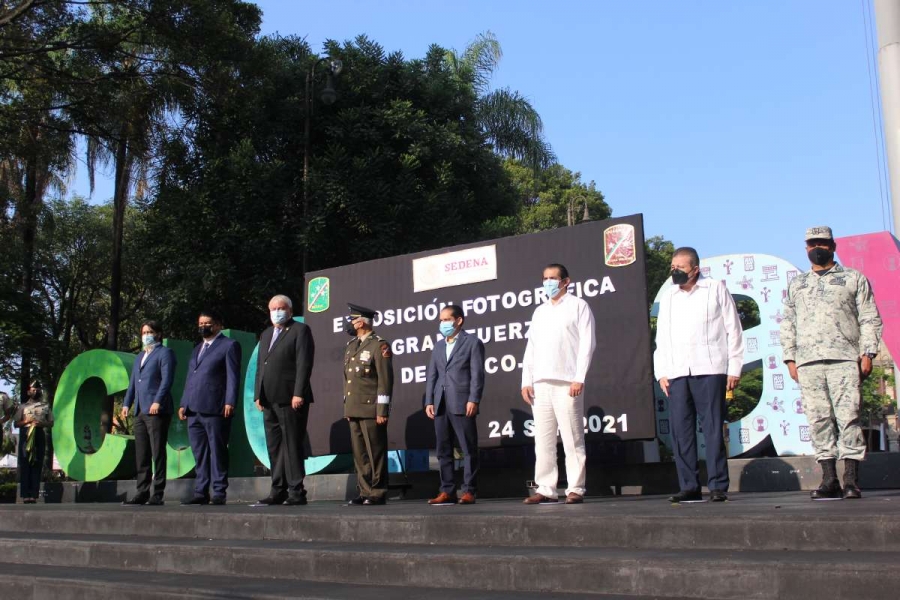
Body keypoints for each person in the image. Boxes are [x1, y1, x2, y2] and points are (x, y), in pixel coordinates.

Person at [781, 226, 883, 500]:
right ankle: (829, 480)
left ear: (833, 246)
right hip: (808, 362)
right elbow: (788, 322)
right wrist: (790, 359)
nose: (817, 248)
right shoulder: (797, 284)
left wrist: (868, 353)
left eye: (823, 244)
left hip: (845, 358)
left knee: (848, 418)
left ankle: (851, 480)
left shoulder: (853, 278)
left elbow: (869, 317)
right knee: (818, 420)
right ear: (805, 248)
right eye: (812, 244)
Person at [654, 247, 744, 503]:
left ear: (695, 269)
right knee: (681, 431)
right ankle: (689, 485)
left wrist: (734, 368)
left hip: (711, 368)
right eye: (672, 267)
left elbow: (733, 330)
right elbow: (661, 337)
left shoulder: (715, 288)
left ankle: (717, 485)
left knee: (713, 428)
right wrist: (662, 372)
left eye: (680, 267)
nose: (675, 271)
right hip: (677, 371)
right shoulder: (669, 296)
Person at [521, 264, 596, 505]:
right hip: (540, 383)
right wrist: (526, 380)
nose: (548, 283)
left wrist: (579, 377)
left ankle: (576, 488)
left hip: (567, 382)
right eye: (545, 279)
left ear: (566, 281)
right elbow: (530, 348)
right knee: (543, 440)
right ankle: (546, 488)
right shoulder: (539, 311)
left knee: (572, 438)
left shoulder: (579, 306)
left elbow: (587, 344)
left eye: (553, 278)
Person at [254, 294, 315, 506]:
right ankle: (277, 489)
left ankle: (296, 491)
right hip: (268, 400)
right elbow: (262, 366)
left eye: (280, 308)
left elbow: (304, 364)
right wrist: (257, 395)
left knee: (291, 445)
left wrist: (299, 392)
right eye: (272, 309)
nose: (276, 312)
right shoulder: (266, 334)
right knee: (274, 447)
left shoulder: (300, 330)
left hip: (291, 398)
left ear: (289, 310)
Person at [179, 310, 242, 505]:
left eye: (207, 323)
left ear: (218, 325)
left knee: (218, 450)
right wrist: (183, 403)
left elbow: (233, 376)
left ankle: (219, 492)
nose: (203, 326)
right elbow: (191, 377)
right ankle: (200, 491)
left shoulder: (229, 345)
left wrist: (230, 401)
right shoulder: (197, 348)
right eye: (200, 323)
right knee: (199, 453)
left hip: (215, 407)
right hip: (193, 408)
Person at [424, 304, 485, 505]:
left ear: (458, 320)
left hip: (462, 402)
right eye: (441, 320)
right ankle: (447, 490)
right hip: (440, 403)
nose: (443, 324)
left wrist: (473, 399)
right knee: (443, 450)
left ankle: (469, 490)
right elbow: (432, 375)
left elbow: (477, 374)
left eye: (446, 320)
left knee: (468, 448)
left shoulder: (472, 342)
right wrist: (429, 401)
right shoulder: (439, 345)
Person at [121, 320, 176, 506]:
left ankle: (157, 493)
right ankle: (142, 491)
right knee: (141, 453)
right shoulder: (139, 356)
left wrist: (157, 401)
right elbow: (132, 383)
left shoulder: (165, 353)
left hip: (156, 410)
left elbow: (167, 380)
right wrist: (126, 404)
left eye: (150, 332)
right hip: (139, 411)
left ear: (158, 334)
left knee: (157, 452)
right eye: (144, 332)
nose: (146, 335)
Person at [343, 303, 394, 506]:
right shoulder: (351, 346)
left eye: (352, 320)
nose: (349, 324)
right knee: (359, 453)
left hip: (371, 408)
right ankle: (364, 491)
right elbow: (347, 380)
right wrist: (347, 406)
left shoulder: (379, 345)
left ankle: (377, 491)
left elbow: (385, 381)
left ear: (361, 322)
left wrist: (382, 410)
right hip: (354, 408)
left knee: (375, 452)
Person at [15, 381, 53, 503]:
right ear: (28, 392)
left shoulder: (45, 406)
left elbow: (51, 422)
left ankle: (33, 495)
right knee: (25, 463)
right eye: (33, 389)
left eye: (37, 389)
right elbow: (16, 424)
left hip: (39, 434)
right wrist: (27, 421)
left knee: (37, 463)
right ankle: (25, 494)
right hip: (26, 435)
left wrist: (41, 423)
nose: (35, 391)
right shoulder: (22, 407)